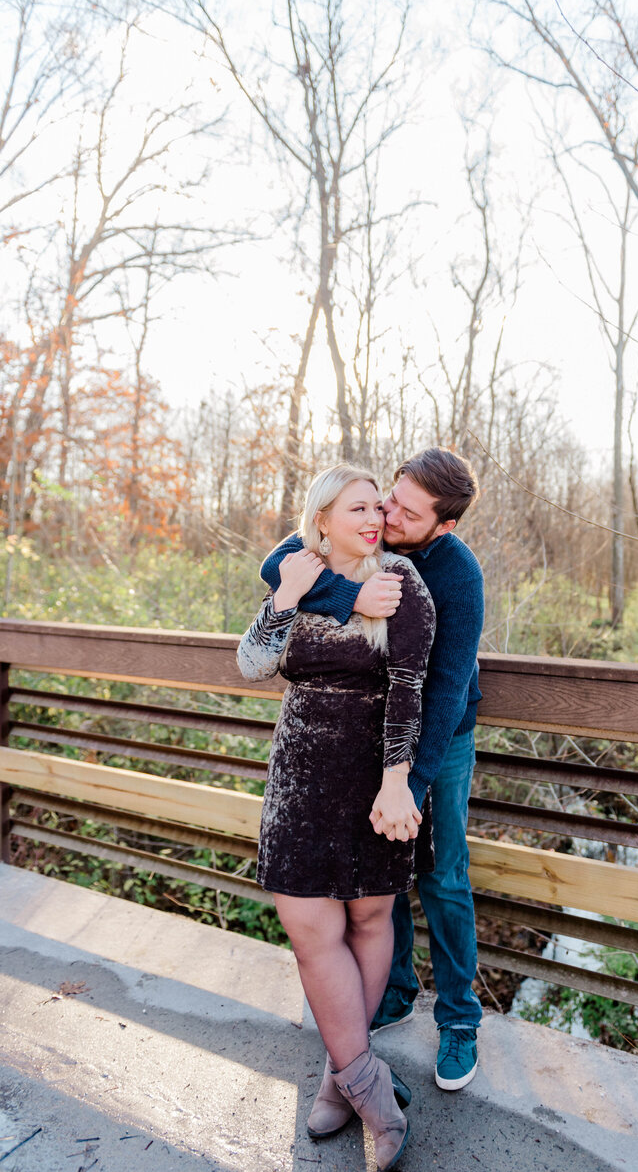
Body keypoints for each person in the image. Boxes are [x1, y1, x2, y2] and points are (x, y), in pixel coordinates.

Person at [261, 448, 484, 1092]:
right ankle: (392, 992)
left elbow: (444, 687)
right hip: (366, 733)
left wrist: (409, 782)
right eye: (391, 497)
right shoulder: (367, 525)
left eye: (407, 513)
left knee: (441, 872)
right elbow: (278, 563)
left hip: (440, 737)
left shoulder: (456, 572)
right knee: (387, 870)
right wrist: (351, 594)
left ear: (442, 527)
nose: (387, 515)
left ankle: (459, 1020)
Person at [237, 463, 435, 1172]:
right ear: (321, 517)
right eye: (358, 507)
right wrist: (286, 594)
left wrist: (396, 781)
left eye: (377, 508)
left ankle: (337, 1074)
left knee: (368, 919)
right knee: (308, 924)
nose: (374, 518)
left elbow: (410, 686)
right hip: (299, 776)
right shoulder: (297, 569)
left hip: (374, 777)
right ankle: (373, 1092)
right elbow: (253, 662)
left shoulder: (401, 583)